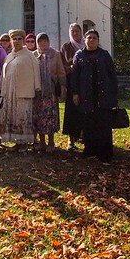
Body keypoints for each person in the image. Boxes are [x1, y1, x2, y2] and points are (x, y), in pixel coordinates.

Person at [70, 29, 118, 163]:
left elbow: (112, 75)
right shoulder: (79, 55)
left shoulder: (104, 55)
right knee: (88, 124)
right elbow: (75, 76)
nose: (91, 40)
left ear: (98, 41)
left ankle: (105, 153)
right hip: (86, 95)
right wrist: (75, 93)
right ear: (84, 40)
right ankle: (89, 150)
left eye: (94, 38)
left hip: (103, 95)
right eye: (89, 38)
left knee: (104, 124)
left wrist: (114, 93)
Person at [0, 29, 40, 151]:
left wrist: (37, 87)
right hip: (10, 91)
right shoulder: (9, 56)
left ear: (23, 40)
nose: (17, 41)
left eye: (19, 39)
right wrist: (2, 88)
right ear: (11, 40)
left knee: (22, 116)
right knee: (13, 116)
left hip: (24, 91)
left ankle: (24, 143)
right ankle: (16, 142)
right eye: (14, 39)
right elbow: (4, 74)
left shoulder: (29, 55)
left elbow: (36, 71)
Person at [33, 33, 66, 152]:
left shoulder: (55, 54)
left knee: (50, 117)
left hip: (50, 91)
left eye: (45, 41)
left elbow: (61, 72)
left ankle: (51, 142)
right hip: (37, 92)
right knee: (39, 117)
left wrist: (63, 87)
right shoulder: (34, 55)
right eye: (40, 41)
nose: (43, 43)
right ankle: (41, 142)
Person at [60, 22, 85, 150]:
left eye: (77, 31)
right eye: (72, 31)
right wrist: (71, 68)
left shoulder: (87, 45)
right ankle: (71, 139)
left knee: (85, 110)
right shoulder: (66, 47)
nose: (75, 33)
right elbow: (62, 65)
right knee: (71, 111)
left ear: (81, 32)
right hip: (71, 82)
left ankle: (84, 135)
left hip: (85, 84)